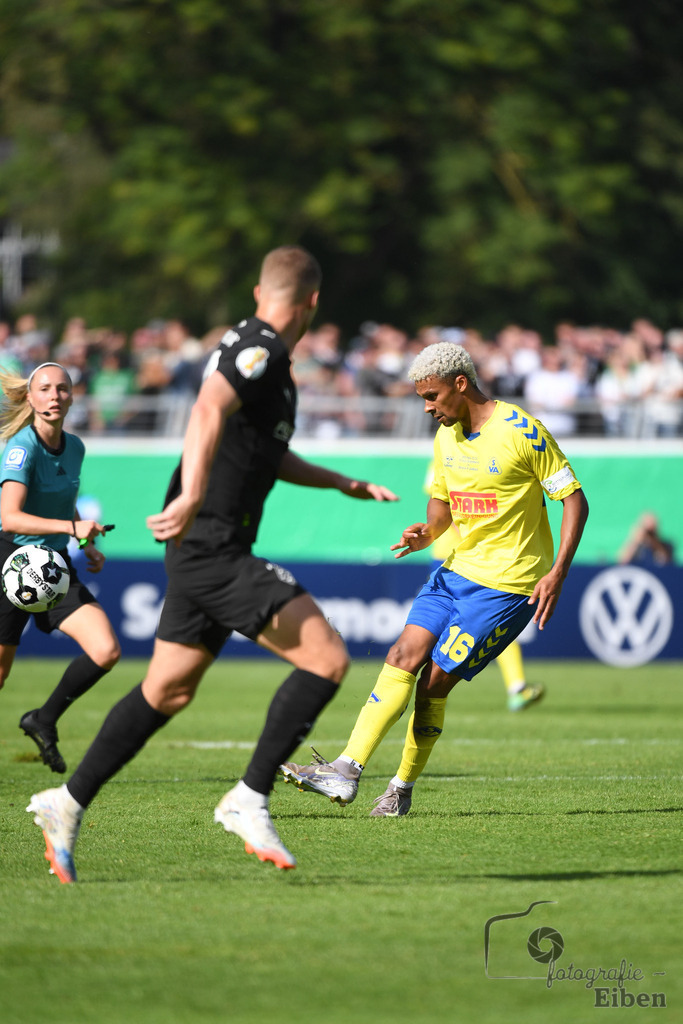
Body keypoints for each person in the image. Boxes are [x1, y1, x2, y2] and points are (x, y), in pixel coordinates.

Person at [26, 245, 399, 882]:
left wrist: (342, 482)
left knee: (167, 688)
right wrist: (195, 494)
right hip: (212, 544)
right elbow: (205, 410)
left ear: (261, 291)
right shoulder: (265, 350)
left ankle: (66, 803)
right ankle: (249, 798)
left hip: (204, 545)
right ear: (312, 303)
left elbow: (266, 455)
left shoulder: (264, 358)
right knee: (327, 657)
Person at [281, 341, 588, 815]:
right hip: (456, 570)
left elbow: (573, 499)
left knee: (433, 683)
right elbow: (442, 505)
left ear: (460, 384)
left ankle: (400, 788)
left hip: (507, 586)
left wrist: (558, 570)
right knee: (402, 654)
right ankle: (346, 771)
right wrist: (428, 532)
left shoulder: (522, 431)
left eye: (432, 397)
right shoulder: (447, 434)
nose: (427, 408)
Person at [0, 363, 121, 772]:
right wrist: (73, 526)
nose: (54, 396)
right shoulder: (21, 447)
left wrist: (86, 542)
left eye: (63, 389)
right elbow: (10, 518)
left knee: (106, 650)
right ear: (30, 397)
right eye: (46, 389)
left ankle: (43, 719)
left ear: (72, 397)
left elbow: (62, 498)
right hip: (10, 561)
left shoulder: (76, 447)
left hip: (52, 566)